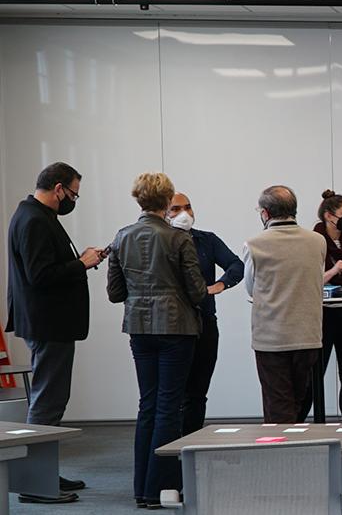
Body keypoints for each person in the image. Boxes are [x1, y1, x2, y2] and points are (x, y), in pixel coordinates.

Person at [107, 173, 208, 509]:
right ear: (167, 201)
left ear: (139, 200)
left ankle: (141, 489)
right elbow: (196, 290)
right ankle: (161, 489)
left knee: (147, 405)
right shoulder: (179, 239)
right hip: (177, 328)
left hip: (138, 327)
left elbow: (114, 292)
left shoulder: (122, 237)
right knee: (169, 406)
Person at [6, 162, 100, 503]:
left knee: (52, 400)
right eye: (73, 193)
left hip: (50, 322)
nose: (73, 199)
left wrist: (81, 259)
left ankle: (45, 472)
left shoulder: (37, 216)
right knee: (46, 402)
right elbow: (40, 275)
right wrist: (83, 263)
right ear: (58, 188)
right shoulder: (33, 219)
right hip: (48, 323)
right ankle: (35, 484)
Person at [242, 185, 326, 424]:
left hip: (271, 337)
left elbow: (251, 288)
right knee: (298, 399)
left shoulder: (255, 244)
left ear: (265, 213)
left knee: (278, 402)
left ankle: (282, 457)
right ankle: (299, 452)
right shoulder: (317, 241)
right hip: (308, 334)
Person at [165, 193, 245, 435]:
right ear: (164, 212)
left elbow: (236, 265)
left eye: (188, 207)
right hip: (174, 326)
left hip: (205, 322)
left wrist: (220, 285)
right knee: (174, 392)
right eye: (176, 209)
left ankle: (190, 442)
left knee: (198, 391)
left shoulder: (206, 240)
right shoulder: (160, 241)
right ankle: (170, 447)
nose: (184, 214)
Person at [304, 190, 342, 424]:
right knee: (314, 377)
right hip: (322, 315)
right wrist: (334, 270)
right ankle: (305, 424)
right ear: (329, 216)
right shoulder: (314, 241)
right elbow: (310, 280)